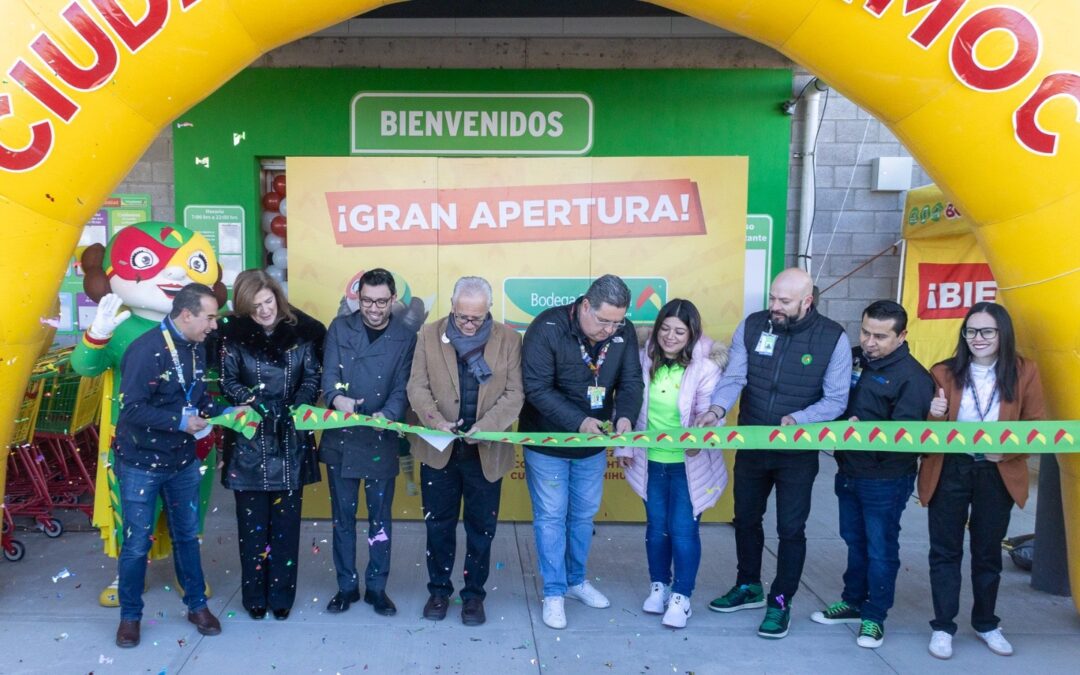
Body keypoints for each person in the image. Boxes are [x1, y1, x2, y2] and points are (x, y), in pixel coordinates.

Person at [696, 267, 851, 639]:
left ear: (807, 301)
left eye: (784, 301)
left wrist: (799, 419)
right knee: (746, 518)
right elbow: (735, 377)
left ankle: (781, 600)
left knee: (790, 528)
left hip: (796, 451)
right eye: (772, 298)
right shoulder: (752, 326)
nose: (775, 306)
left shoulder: (833, 338)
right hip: (752, 443)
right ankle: (748, 585)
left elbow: (836, 399)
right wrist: (716, 410)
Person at [112, 284, 240, 648]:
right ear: (186, 315)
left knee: (186, 536)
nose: (213, 325)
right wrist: (180, 422)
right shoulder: (145, 350)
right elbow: (132, 409)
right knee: (136, 543)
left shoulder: (197, 347)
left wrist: (228, 411)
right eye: (209, 317)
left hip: (182, 462)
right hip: (140, 463)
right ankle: (130, 617)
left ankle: (197, 606)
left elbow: (195, 398)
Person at [919, 302, 1045, 660]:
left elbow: (1036, 425)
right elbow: (925, 433)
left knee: (987, 552)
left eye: (987, 331)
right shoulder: (943, 371)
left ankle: (986, 623)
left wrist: (1005, 454)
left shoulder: (1024, 372)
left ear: (1003, 334)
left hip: (996, 471)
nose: (978, 338)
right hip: (950, 469)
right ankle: (943, 626)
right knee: (945, 550)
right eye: (971, 331)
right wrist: (934, 414)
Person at [519, 274, 644, 630]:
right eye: (604, 321)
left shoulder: (623, 331)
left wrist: (625, 416)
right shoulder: (547, 327)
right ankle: (554, 592)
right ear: (585, 305)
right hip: (547, 441)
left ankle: (576, 581)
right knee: (551, 516)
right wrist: (579, 421)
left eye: (617, 323)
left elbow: (631, 381)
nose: (610, 330)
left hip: (593, 444)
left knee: (584, 516)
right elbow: (536, 388)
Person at [809, 300, 933, 649]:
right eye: (865, 332)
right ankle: (852, 601)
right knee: (854, 539)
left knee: (880, 547)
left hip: (885, 478)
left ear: (902, 335)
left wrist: (863, 433)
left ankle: (874, 616)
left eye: (880, 336)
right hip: (848, 470)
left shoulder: (913, 377)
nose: (869, 341)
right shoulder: (851, 359)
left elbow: (906, 439)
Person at [406, 276, 524, 626]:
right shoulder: (428, 334)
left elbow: (515, 393)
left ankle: (473, 596)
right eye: (462, 317)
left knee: (481, 529)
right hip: (439, 447)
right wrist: (434, 421)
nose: (469, 324)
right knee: (438, 525)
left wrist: (486, 426)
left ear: (489, 310)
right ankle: (439, 591)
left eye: (476, 318)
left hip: (485, 451)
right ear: (452, 308)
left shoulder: (509, 339)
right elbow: (417, 386)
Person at [614, 299, 728, 629]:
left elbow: (709, 413)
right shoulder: (642, 359)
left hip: (689, 466)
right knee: (656, 528)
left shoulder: (706, 367)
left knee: (683, 529)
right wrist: (624, 446)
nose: (670, 336)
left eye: (679, 331)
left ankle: (682, 596)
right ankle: (659, 586)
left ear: (692, 334)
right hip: (650, 461)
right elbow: (628, 407)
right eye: (664, 328)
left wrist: (700, 436)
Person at [219, 270, 326, 621]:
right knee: (251, 530)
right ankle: (254, 596)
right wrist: (252, 401)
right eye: (255, 307)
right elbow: (227, 380)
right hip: (249, 441)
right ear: (244, 308)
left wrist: (297, 405)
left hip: (290, 439)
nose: (264, 311)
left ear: (277, 297)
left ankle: (281, 596)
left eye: (268, 302)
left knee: (286, 528)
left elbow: (312, 376)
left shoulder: (302, 332)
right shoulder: (232, 337)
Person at [320, 268, 417, 617]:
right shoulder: (339, 327)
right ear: (357, 298)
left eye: (381, 302)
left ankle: (377, 587)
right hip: (342, 438)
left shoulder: (406, 337)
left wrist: (387, 414)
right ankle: (346, 586)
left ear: (393, 300)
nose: (373, 309)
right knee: (342, 519)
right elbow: (328, 374)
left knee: (380, 520)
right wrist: (336, 399)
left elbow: (403, 385)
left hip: (381, 438)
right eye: (366, 301)